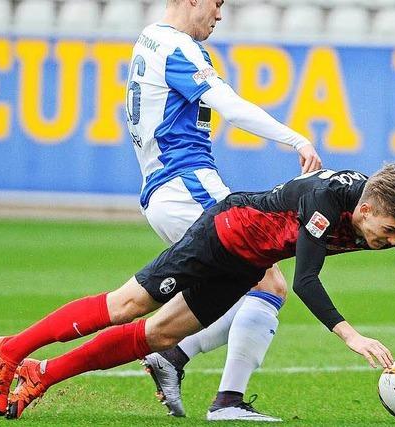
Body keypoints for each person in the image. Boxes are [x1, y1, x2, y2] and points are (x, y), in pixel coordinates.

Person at [0, 164, 395, 420]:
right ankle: (11, 350)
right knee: (127, 305)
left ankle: (42, 376)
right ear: (366, 210)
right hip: (222, 234)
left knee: (155, 336)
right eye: (388, 232)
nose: (391, 243)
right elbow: (305, 279)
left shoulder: (390, 218)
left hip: (247, 261)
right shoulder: (327, 202)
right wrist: (351, 336)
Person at [125, 0, 321, 421]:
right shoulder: (177, 47)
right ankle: (223, 399)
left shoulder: (148, 40)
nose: (219, 15)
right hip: (187, 184)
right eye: (216, 3)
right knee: (267, 284)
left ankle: (175, 358)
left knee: (243, 284)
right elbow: (230, 107)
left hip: (163, 189)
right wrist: (296, 140)